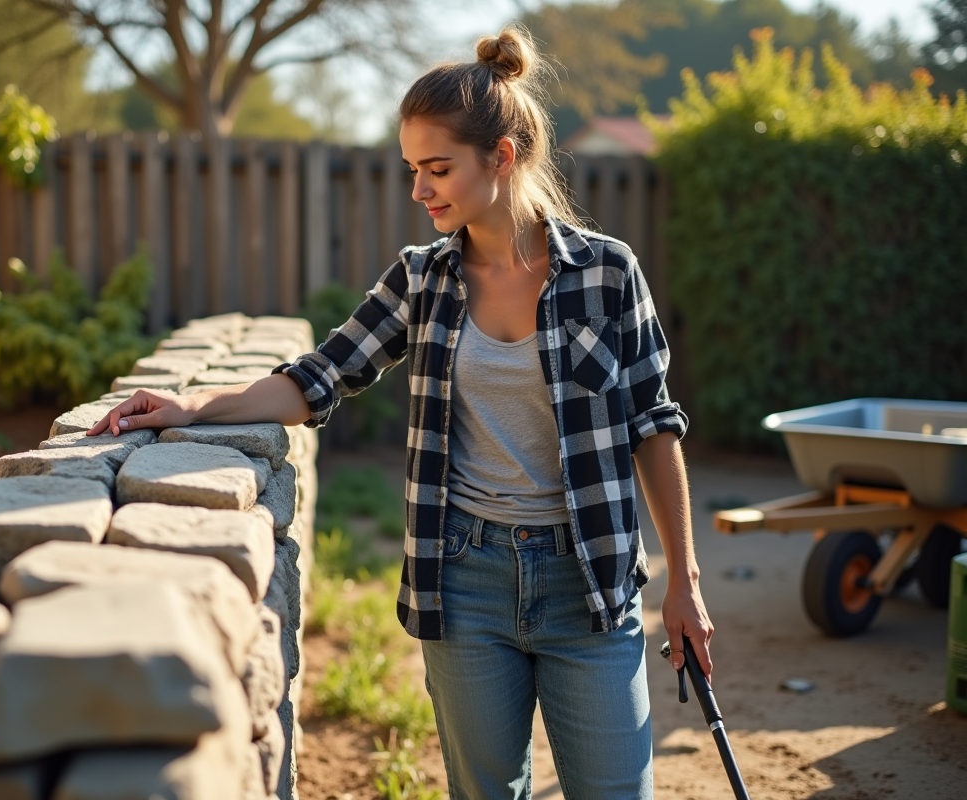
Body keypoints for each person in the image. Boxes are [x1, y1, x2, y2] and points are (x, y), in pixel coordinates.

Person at [89, 24, 712, 800]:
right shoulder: (422, 280)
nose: (419, 189)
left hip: (590, 579)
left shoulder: (608, 273)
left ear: (503, 157)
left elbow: (654, 426)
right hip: (465, 581)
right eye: (412, 168)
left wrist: (682, 580)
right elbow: (317, 378)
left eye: (437, 168)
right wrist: (187, 408)